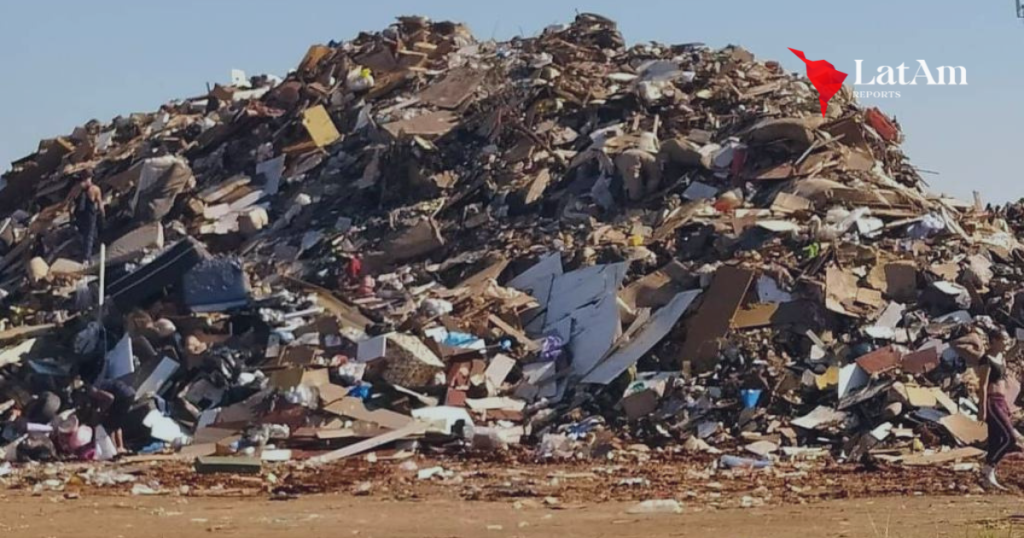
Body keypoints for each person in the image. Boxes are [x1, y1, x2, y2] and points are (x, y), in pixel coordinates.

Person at [979, 330, 1023, 490]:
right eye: (1004, 339)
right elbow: (982, 385)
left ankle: (987, 477)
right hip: (992, 401)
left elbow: (1011, 354)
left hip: (1002, 401)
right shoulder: (986, 360)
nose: (1006, 342)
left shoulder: (1000, 357)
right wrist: (982, 408)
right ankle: (987, 469)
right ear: (994, 340)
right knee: (1009, 438)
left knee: (995, 440)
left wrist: (1019, 343)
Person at [85, 379, 136, 455]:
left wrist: (102, 412)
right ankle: (120, 447)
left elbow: (110, 398)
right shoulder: (102, 383)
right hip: (130, 394)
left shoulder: (93, 390)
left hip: (121, 397)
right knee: (117, 423)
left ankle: (113, 451)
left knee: (109, 425)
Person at [65, 171, 104, 262]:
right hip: (90, 214)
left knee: (85, 233)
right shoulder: (95, 189)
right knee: (89, 235)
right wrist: (102, 215)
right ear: (91, 177)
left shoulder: (75, 189)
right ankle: (87, 258)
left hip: (79, 214)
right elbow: (100, 204)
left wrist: (71, 217)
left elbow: (69, 204)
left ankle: (86, 252)